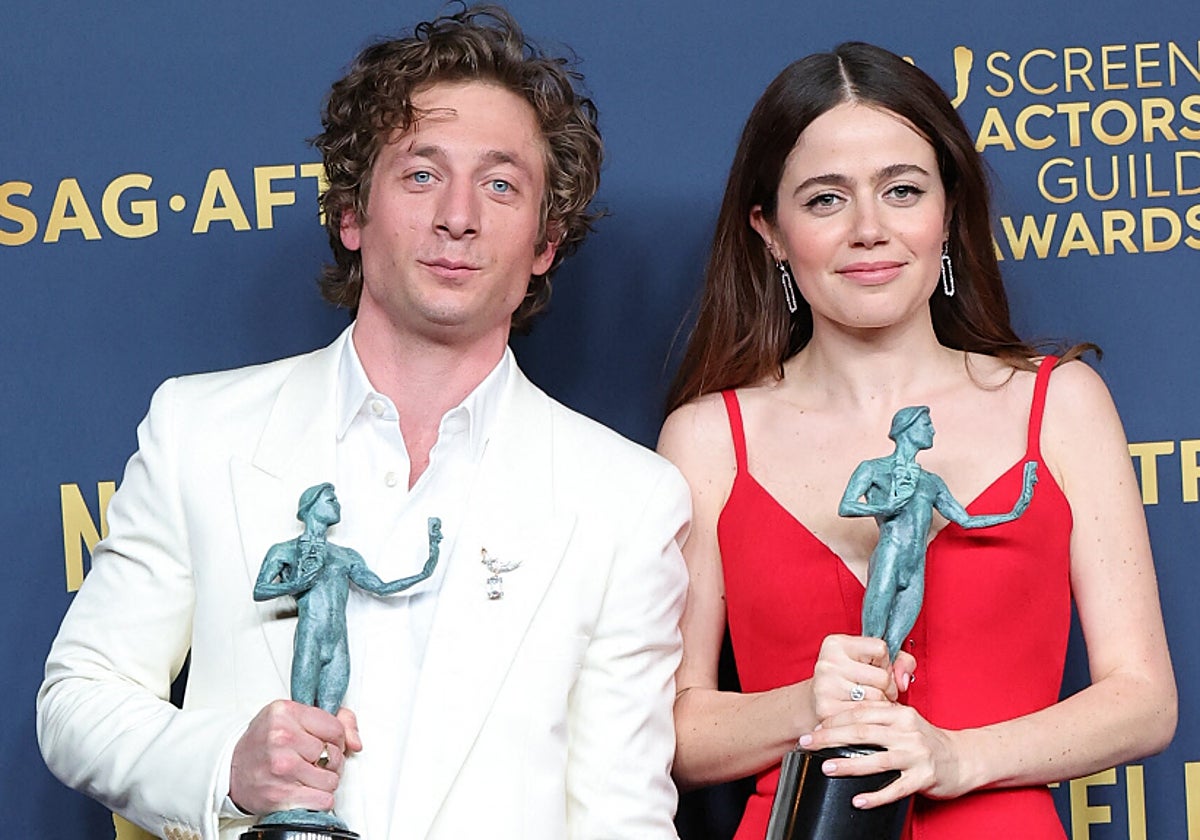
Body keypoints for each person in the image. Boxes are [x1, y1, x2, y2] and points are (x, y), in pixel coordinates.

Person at [37, 8, 689, 840]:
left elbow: (621, 815)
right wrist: (225, 770)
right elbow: (78, 699)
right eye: (421, 175)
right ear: (351, 214)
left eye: (500, 185)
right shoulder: (199, 429)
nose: (459, 215)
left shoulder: (626, 499)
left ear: (544, 242)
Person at [657, 42, 1176, 840]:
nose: (870, 229)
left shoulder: (1060, 404)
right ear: (770, 230)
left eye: (902, 190)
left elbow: (1143, 700)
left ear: (948, 211)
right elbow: (676, 733)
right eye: (826, 200)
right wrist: (807, 703)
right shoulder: (707, 439)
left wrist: (960, 756)